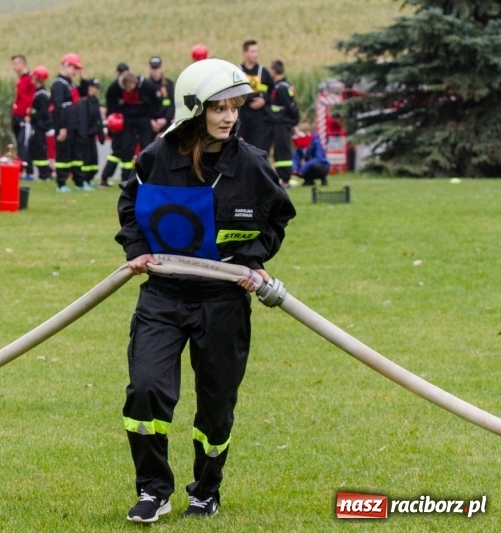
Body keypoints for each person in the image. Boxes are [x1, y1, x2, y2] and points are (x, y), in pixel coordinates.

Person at [115, 58, 296, 523]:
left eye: (235, 107)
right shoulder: (158, 156)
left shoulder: (251, 164)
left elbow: (278, 217)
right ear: (194, 109)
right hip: (165, 296)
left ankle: (206, 490)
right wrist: (136, 248)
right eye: (219, 108)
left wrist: (253, 261)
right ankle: (153, 490)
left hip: (223, 301)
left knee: (217, 406)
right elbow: (130, 202)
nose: (230, 117)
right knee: (146, 391)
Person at [51, 52, 91, 192]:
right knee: (64, 155)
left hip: (75, 125)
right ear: (66, 66)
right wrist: (62, 127)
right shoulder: (58, 84)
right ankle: (61, 183)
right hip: (65, 126)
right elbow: (58, 108)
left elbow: (83, 94)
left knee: (76, 155)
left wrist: (83, 79)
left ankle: (79, 182)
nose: (75, 72)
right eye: (74, 68)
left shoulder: (70, 83)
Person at [117, 70, 161, 187]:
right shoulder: (120, 88)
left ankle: (147, 178)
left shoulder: (147, 86)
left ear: (134, 82)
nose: (127, 90)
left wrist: (154, 119)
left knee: (146, 147)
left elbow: (156, 103)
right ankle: (125, 178)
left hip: (145, 119)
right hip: (129, 120)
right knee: (126, 147)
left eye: (128, 87)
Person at [266, 59, 299, 188]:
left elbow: (289, 107)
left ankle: (285, 178)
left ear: (274, 70)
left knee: (283, 151)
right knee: (280, 150)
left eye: (271, 69)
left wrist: (293, 120)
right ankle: (282, 177)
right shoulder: (283, 85)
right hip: (280, 123)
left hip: (282, 123)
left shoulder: (281, 88)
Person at [239, 40, 274, 151]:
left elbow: (273, 92)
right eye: (253, 51)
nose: (256, 54)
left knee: (257, 148)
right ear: (245, 53)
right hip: (242, 115)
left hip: (258, 117)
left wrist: (264, 101)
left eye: (257, 51)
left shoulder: (262, 71)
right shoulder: (238, 71)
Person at [99, 62, 130, 187]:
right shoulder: (113, 88)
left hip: (126, 125)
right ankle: (107, 177)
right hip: (116, 125)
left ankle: (120, 178)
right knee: (117, 152)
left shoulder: (128, 86)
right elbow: (111, 109)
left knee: (122, 152)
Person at [74, 78, 105, 185]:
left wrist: (101, 134)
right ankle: (84, 180)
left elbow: (98, 120)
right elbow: (83, 120)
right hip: (85, 136)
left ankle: (89, 179)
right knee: (85, 160)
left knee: (93, 160)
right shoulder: (84, 102)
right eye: (95, 88)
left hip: (92, 135)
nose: (96, 90)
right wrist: (83, 135)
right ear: (90, 88)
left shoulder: (94, 101)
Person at [11, 54, 36, 180]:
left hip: (24, 117)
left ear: (22, 64)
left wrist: (28, 113)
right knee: (20, 143)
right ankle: (28, 170)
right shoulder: (20, 79)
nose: (13, 67)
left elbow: (32, 97)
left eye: (15, 64)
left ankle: (23, 171)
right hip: (16, 116)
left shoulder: (30, 79)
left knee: (23, 143)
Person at [29, 65, 54, 181]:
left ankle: (44, 173)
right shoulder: (40, 92)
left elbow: (43, 112)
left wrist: (32, 113)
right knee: (38, 149)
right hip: (41, 125)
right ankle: (44, 172)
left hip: (41, 126)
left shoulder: (41, 95)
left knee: (40, 151)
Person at [292, 122, 330, 186]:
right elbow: (296, 157)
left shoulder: (315, 142)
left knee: (316, 166)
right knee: (294, 168)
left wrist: (304, 167)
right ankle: (308, 180)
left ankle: (323, 179)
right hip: (308, 165)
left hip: (320, 165)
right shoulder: (300, 144)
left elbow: (319, 158)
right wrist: (294, 168)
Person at [146, 56, 175, 136]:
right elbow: (143, 106)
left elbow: (171, 104)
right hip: (151, 123)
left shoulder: (168, 84)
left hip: (165, 121)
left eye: (157, 68)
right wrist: (151, 121)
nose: (155, 71)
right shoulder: (146, 84)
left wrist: (165, 119)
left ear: (161, 68)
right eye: (153, 68)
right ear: (150, 69)